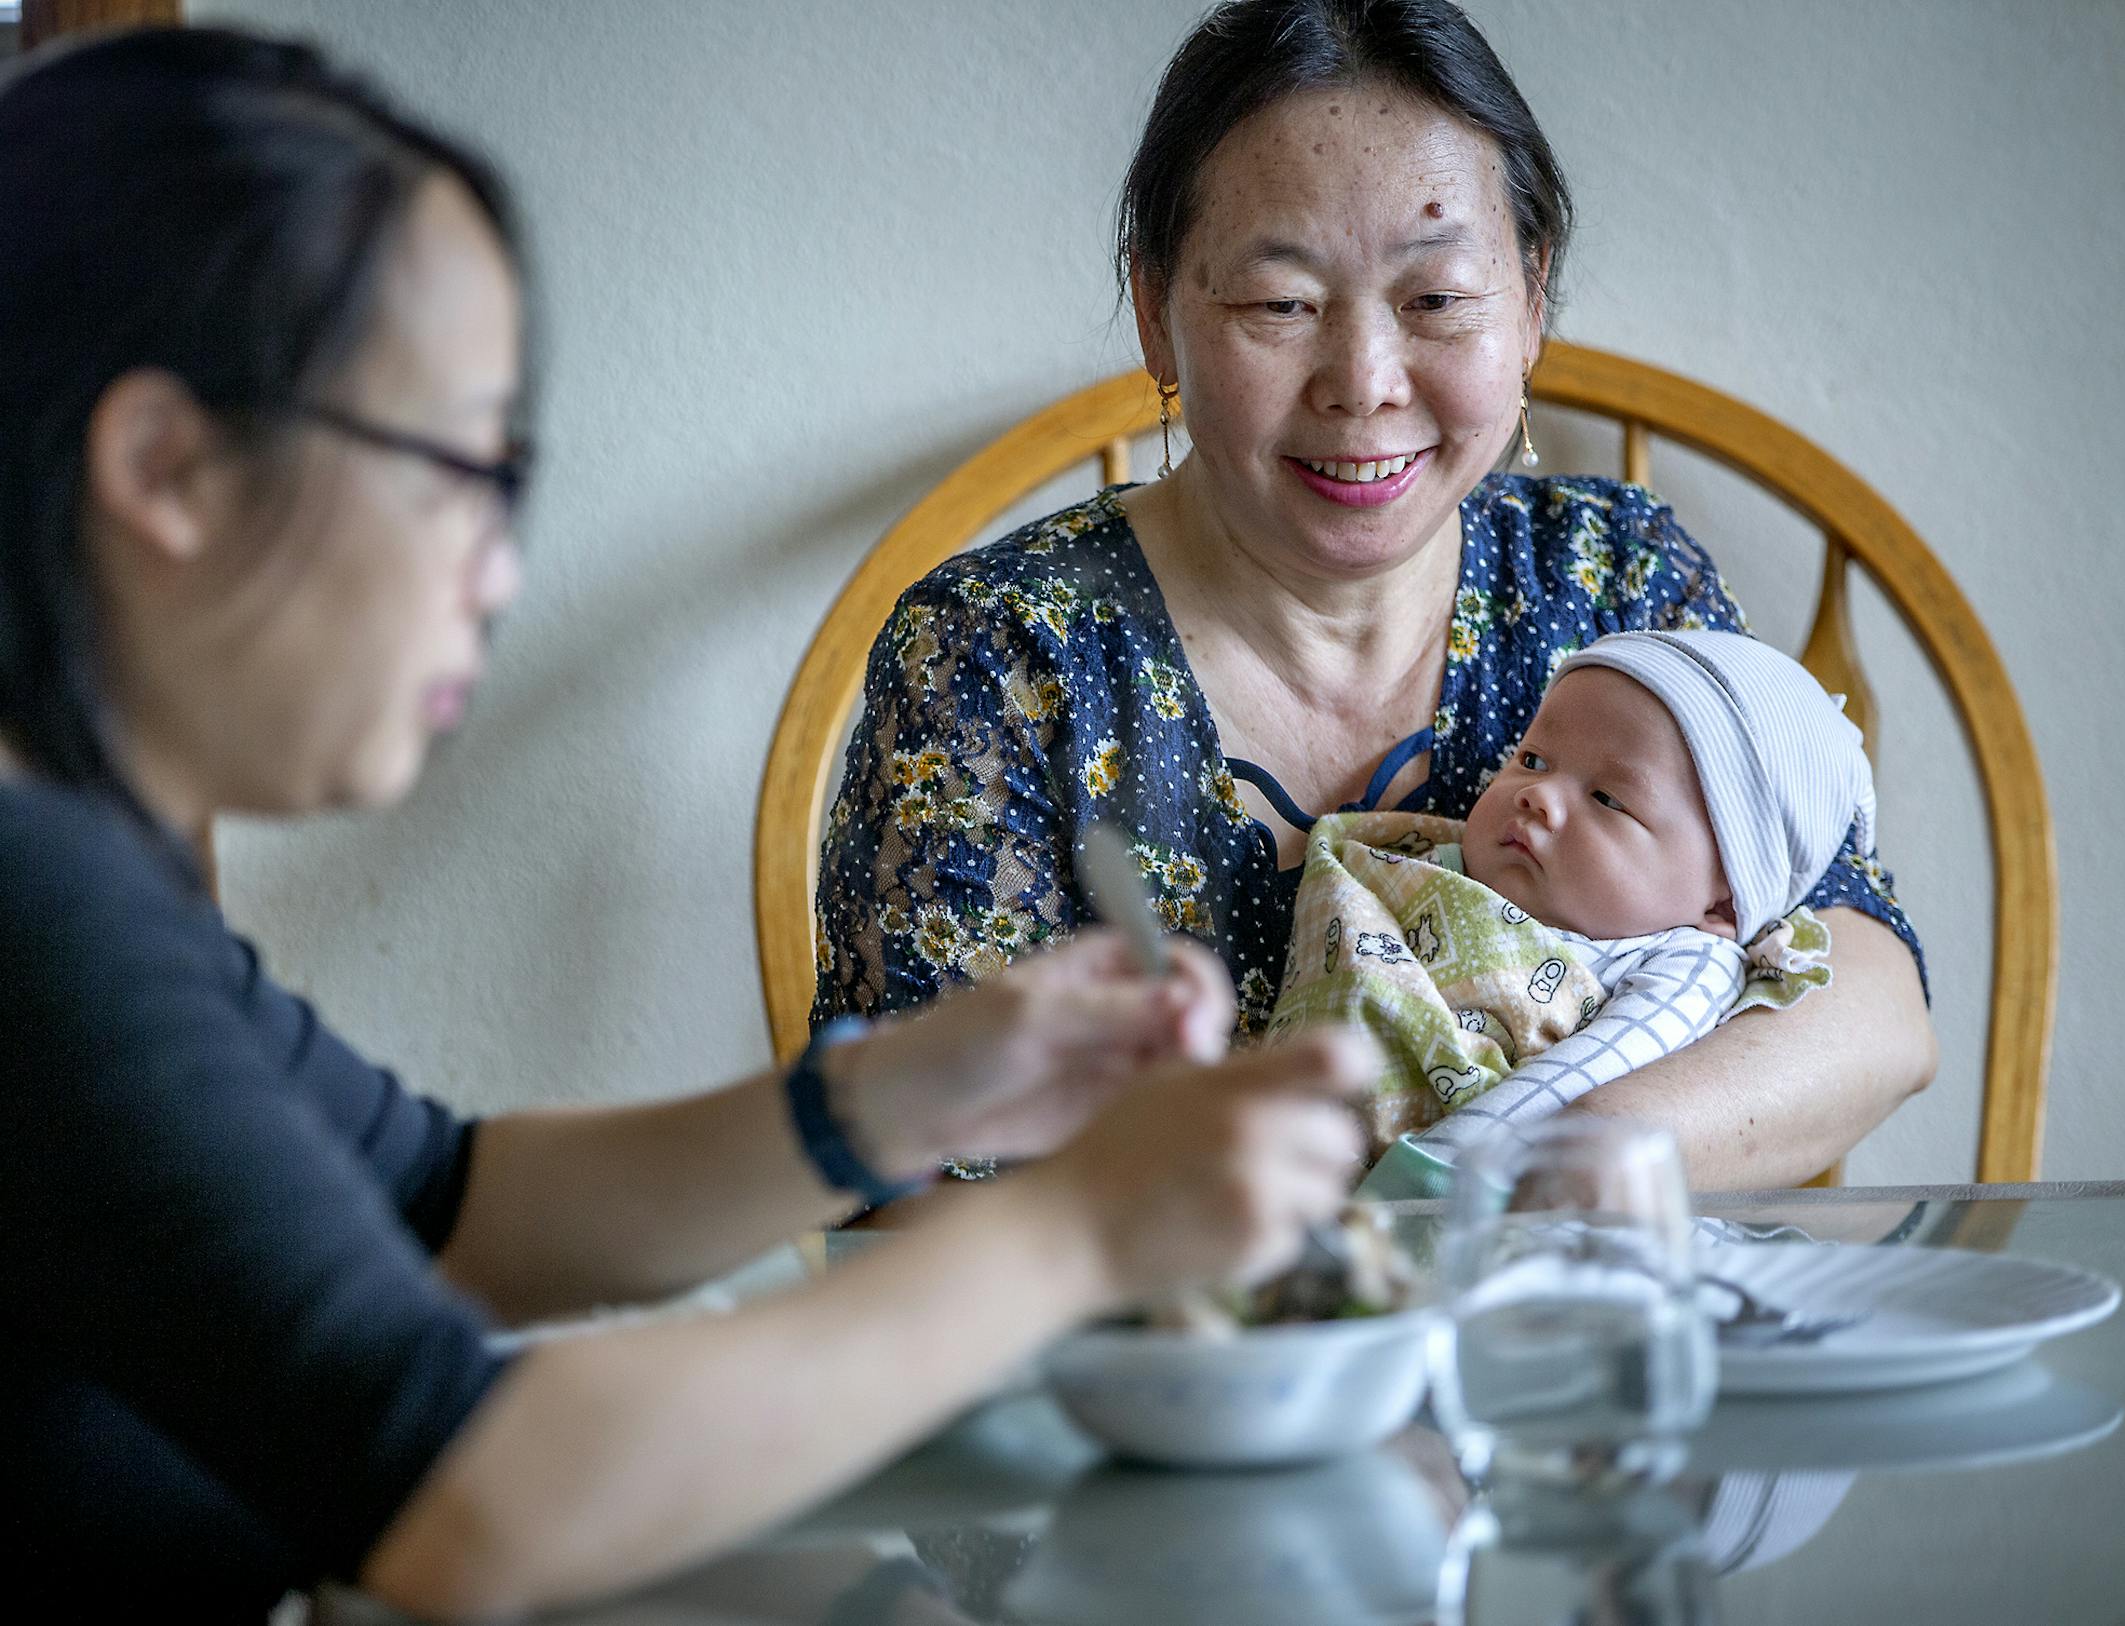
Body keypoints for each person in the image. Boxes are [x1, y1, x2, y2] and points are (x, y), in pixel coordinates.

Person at [0, 29, 1373, 1621]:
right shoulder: (34, 909)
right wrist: (1080, 1228)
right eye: (458, 470)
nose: (498, 573)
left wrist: (899, 1096)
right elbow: (475, 1503)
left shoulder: (86, 871)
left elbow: (455, 1206)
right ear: (168, 468)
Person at [814, 0, 1935, 1189]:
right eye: (1280, 304)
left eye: (1437, 300)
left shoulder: (1614, 580)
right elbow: (914, 1186)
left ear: (1532, 297)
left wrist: (1553, 1161)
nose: (1364, 384)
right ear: (1157, 314)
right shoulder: (999, 653)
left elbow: (1866, 1001)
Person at [1268, 628, 1875, 1181]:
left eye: (1609, 799)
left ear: (1722, 904)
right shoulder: (1421, 857)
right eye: (1532, 760)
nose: (1538, 796)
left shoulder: (1684, 966)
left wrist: (1418, 1197)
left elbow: (1563, 1095)